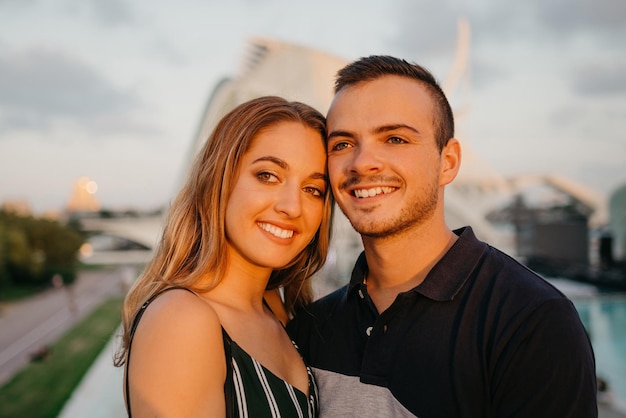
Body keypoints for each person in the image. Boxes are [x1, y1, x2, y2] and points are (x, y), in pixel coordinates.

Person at [287, 56, 597, 417]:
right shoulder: (314, 326)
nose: (362, 162)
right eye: (342, 144)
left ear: (447, 162)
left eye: (395, 138)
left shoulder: (531, 322)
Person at [114, 96, 334, 417]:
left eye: (313, 189)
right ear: (220, 179)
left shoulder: (276, 307)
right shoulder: (183, 320)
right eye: (268, 176)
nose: (292, 207)